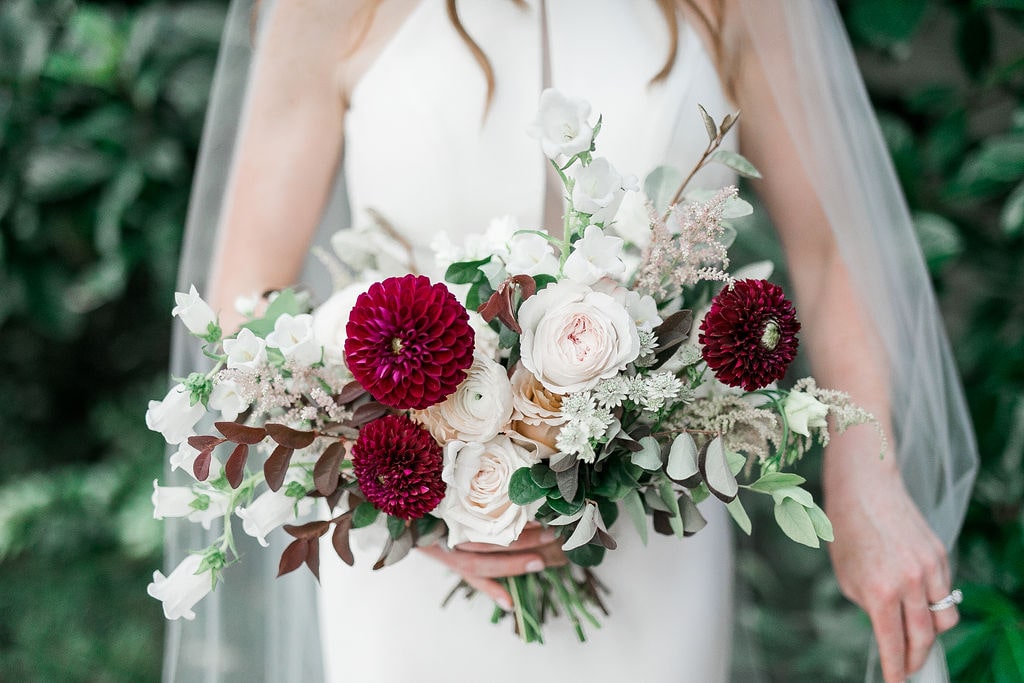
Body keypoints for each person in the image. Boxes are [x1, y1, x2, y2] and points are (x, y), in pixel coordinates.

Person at [165, 1, 978, 681]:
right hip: (408, 564)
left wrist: (868, 472)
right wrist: (401, 500)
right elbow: (248, 300)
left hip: (653, 544)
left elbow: (834, 251)